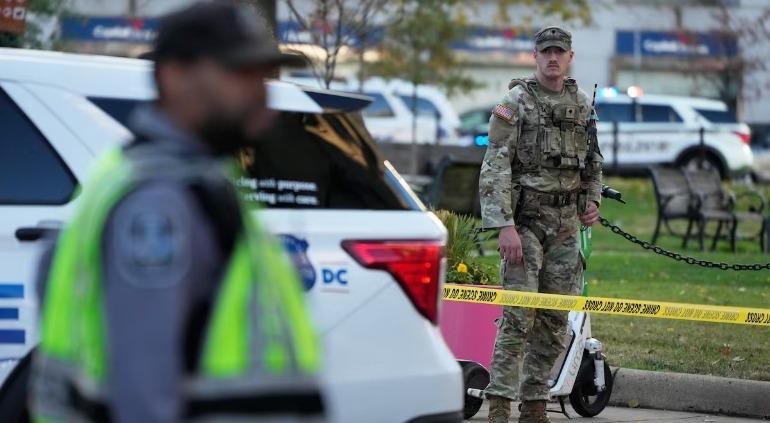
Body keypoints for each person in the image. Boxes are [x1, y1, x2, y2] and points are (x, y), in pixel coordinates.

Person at [29, 2, 324, 422]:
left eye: (263, 75)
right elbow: (143, 395)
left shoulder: (193, 180)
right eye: (240, 74)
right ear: (174, 76)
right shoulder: (160, 201)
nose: (260, 92)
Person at [479, 25, 603, 423]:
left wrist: (592, 200)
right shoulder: (515, 102)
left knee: (553, 319)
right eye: (546, 51)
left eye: (559, 52)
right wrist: (504, 226)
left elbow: (593, 162)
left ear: (569, 57)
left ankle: (534, 405)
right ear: (535, 56)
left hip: (566, 227)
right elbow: (494, 166)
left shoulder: (582, 105)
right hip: (526, 224)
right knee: (518, 316)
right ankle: (500, 404)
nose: (553, 57)